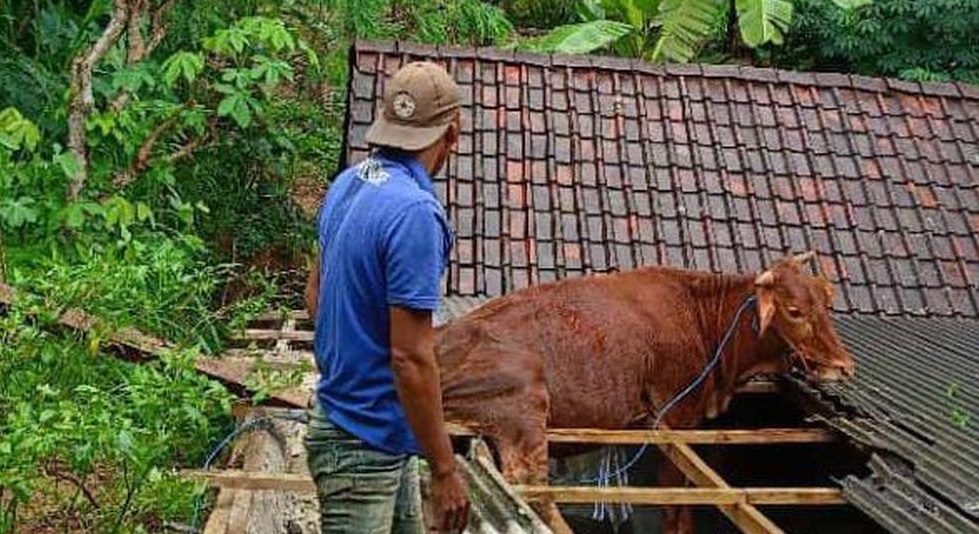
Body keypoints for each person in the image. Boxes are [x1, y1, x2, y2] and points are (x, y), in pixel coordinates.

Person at [303, 61, 470, 533]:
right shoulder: (415, 213)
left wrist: (347, 370)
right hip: (362, 449)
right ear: (452, 135)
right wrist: (444, 469)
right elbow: (410, 357)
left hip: (368, 432)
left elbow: (315, 294)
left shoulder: (349, 183)